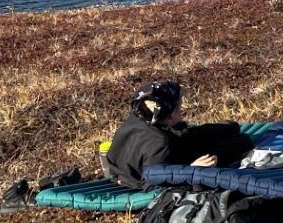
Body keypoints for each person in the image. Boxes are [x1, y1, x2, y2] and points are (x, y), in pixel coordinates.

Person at [105, 80, 255, 189]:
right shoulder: (160, 145)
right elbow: (153, 183)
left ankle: (230, 127)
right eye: (180, 105)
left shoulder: (139, 116)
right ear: (172, 114)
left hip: (131, 166)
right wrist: (190, 170)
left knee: (228, 129)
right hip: (171, 164)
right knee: (241, 142)